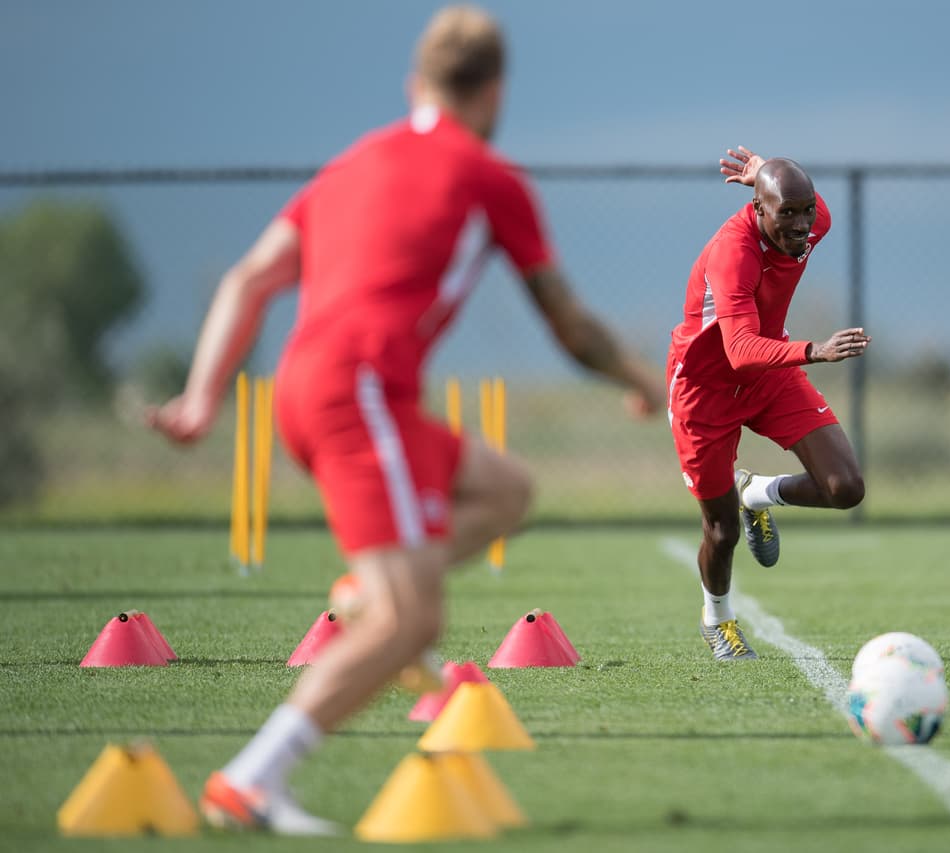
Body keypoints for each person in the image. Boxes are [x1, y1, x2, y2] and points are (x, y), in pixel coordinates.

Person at [147, 5, 664, 834]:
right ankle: (253, 777)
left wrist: (204, 395)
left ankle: (363, 591)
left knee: (506, 490)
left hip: (318, 390)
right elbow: (570, 328)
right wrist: (647, 380)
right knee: (413, 620)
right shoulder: (491, 178)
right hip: (358, 396)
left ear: (414, 85)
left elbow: (248, 280)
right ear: (495, 92)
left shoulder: (351, 164)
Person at [667, 145, 870, 661]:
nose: (802, 225)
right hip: (707, 389)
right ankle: (718, 620)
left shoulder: (811, 220)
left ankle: (757, 492)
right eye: (788, 213)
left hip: (771, 372)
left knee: (845, 488)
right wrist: (815, 351)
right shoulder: (732, 255)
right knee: (722, 529)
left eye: (806, 211)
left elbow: (802, 203)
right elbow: (738, 352)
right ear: (758, 209)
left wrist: (765, 174)